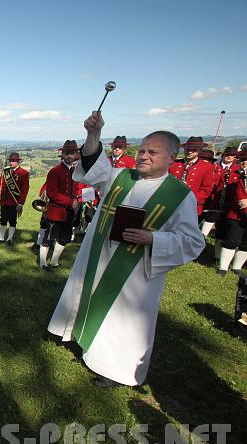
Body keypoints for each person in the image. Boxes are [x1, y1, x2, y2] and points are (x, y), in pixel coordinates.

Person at [47, 111, 204, 387]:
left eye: (152, 152)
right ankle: (85, 344)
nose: (144, 156)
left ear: (171, 158)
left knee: (122, 320)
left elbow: (193, 242)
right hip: (99, 255)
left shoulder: (180, 195)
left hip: (135, 271)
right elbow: (94, 166)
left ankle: (115, 371)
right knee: (89, 300)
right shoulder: (121, 176)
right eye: (142, 150)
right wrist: (93, 134)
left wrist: (154, 239)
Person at [39, 140, 81, 270]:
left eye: (72, 153)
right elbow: (52, 193)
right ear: (62, 154)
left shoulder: (75, 171)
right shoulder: (55, 171)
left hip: (68, 212)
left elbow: (75, 189)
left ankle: (54, 262)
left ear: (75, 155)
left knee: (64, 238)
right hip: (56, 211)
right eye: (66, 153)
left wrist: (77, 200)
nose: (69, 156)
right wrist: (71, 202)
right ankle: (42, 264)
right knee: (49, 239)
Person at [168, 136, 214, 217]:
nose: (190, 152)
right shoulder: (174, 164)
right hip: (170, 205)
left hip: (191, 207)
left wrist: (191, 198)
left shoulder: (207, 167)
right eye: (188, 149)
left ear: (200, 150)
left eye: (194, 150)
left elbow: (206, 189)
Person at [210, 147, 241, 258]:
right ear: (223, 155)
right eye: (227, 154)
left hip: (230, 205)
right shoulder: (215, 166)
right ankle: (216, 256)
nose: (229, 156)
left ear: (235, 157)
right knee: (219, 230)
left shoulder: (238, 169)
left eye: (232, 155)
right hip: (215, 201)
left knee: (229, 233)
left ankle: (226, 257)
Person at [0, 152, 30, 245]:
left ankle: (9, 239)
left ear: (18, 162)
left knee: (13, 221)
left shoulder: (24, 173)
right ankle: (1, 238)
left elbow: (25, 190)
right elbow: (0, 186)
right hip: (4, 201)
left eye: (13, 161)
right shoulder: (5, 171)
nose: (11, 163)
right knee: (3, 219)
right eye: (10, 161)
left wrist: (21, 203)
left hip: (14, 202)